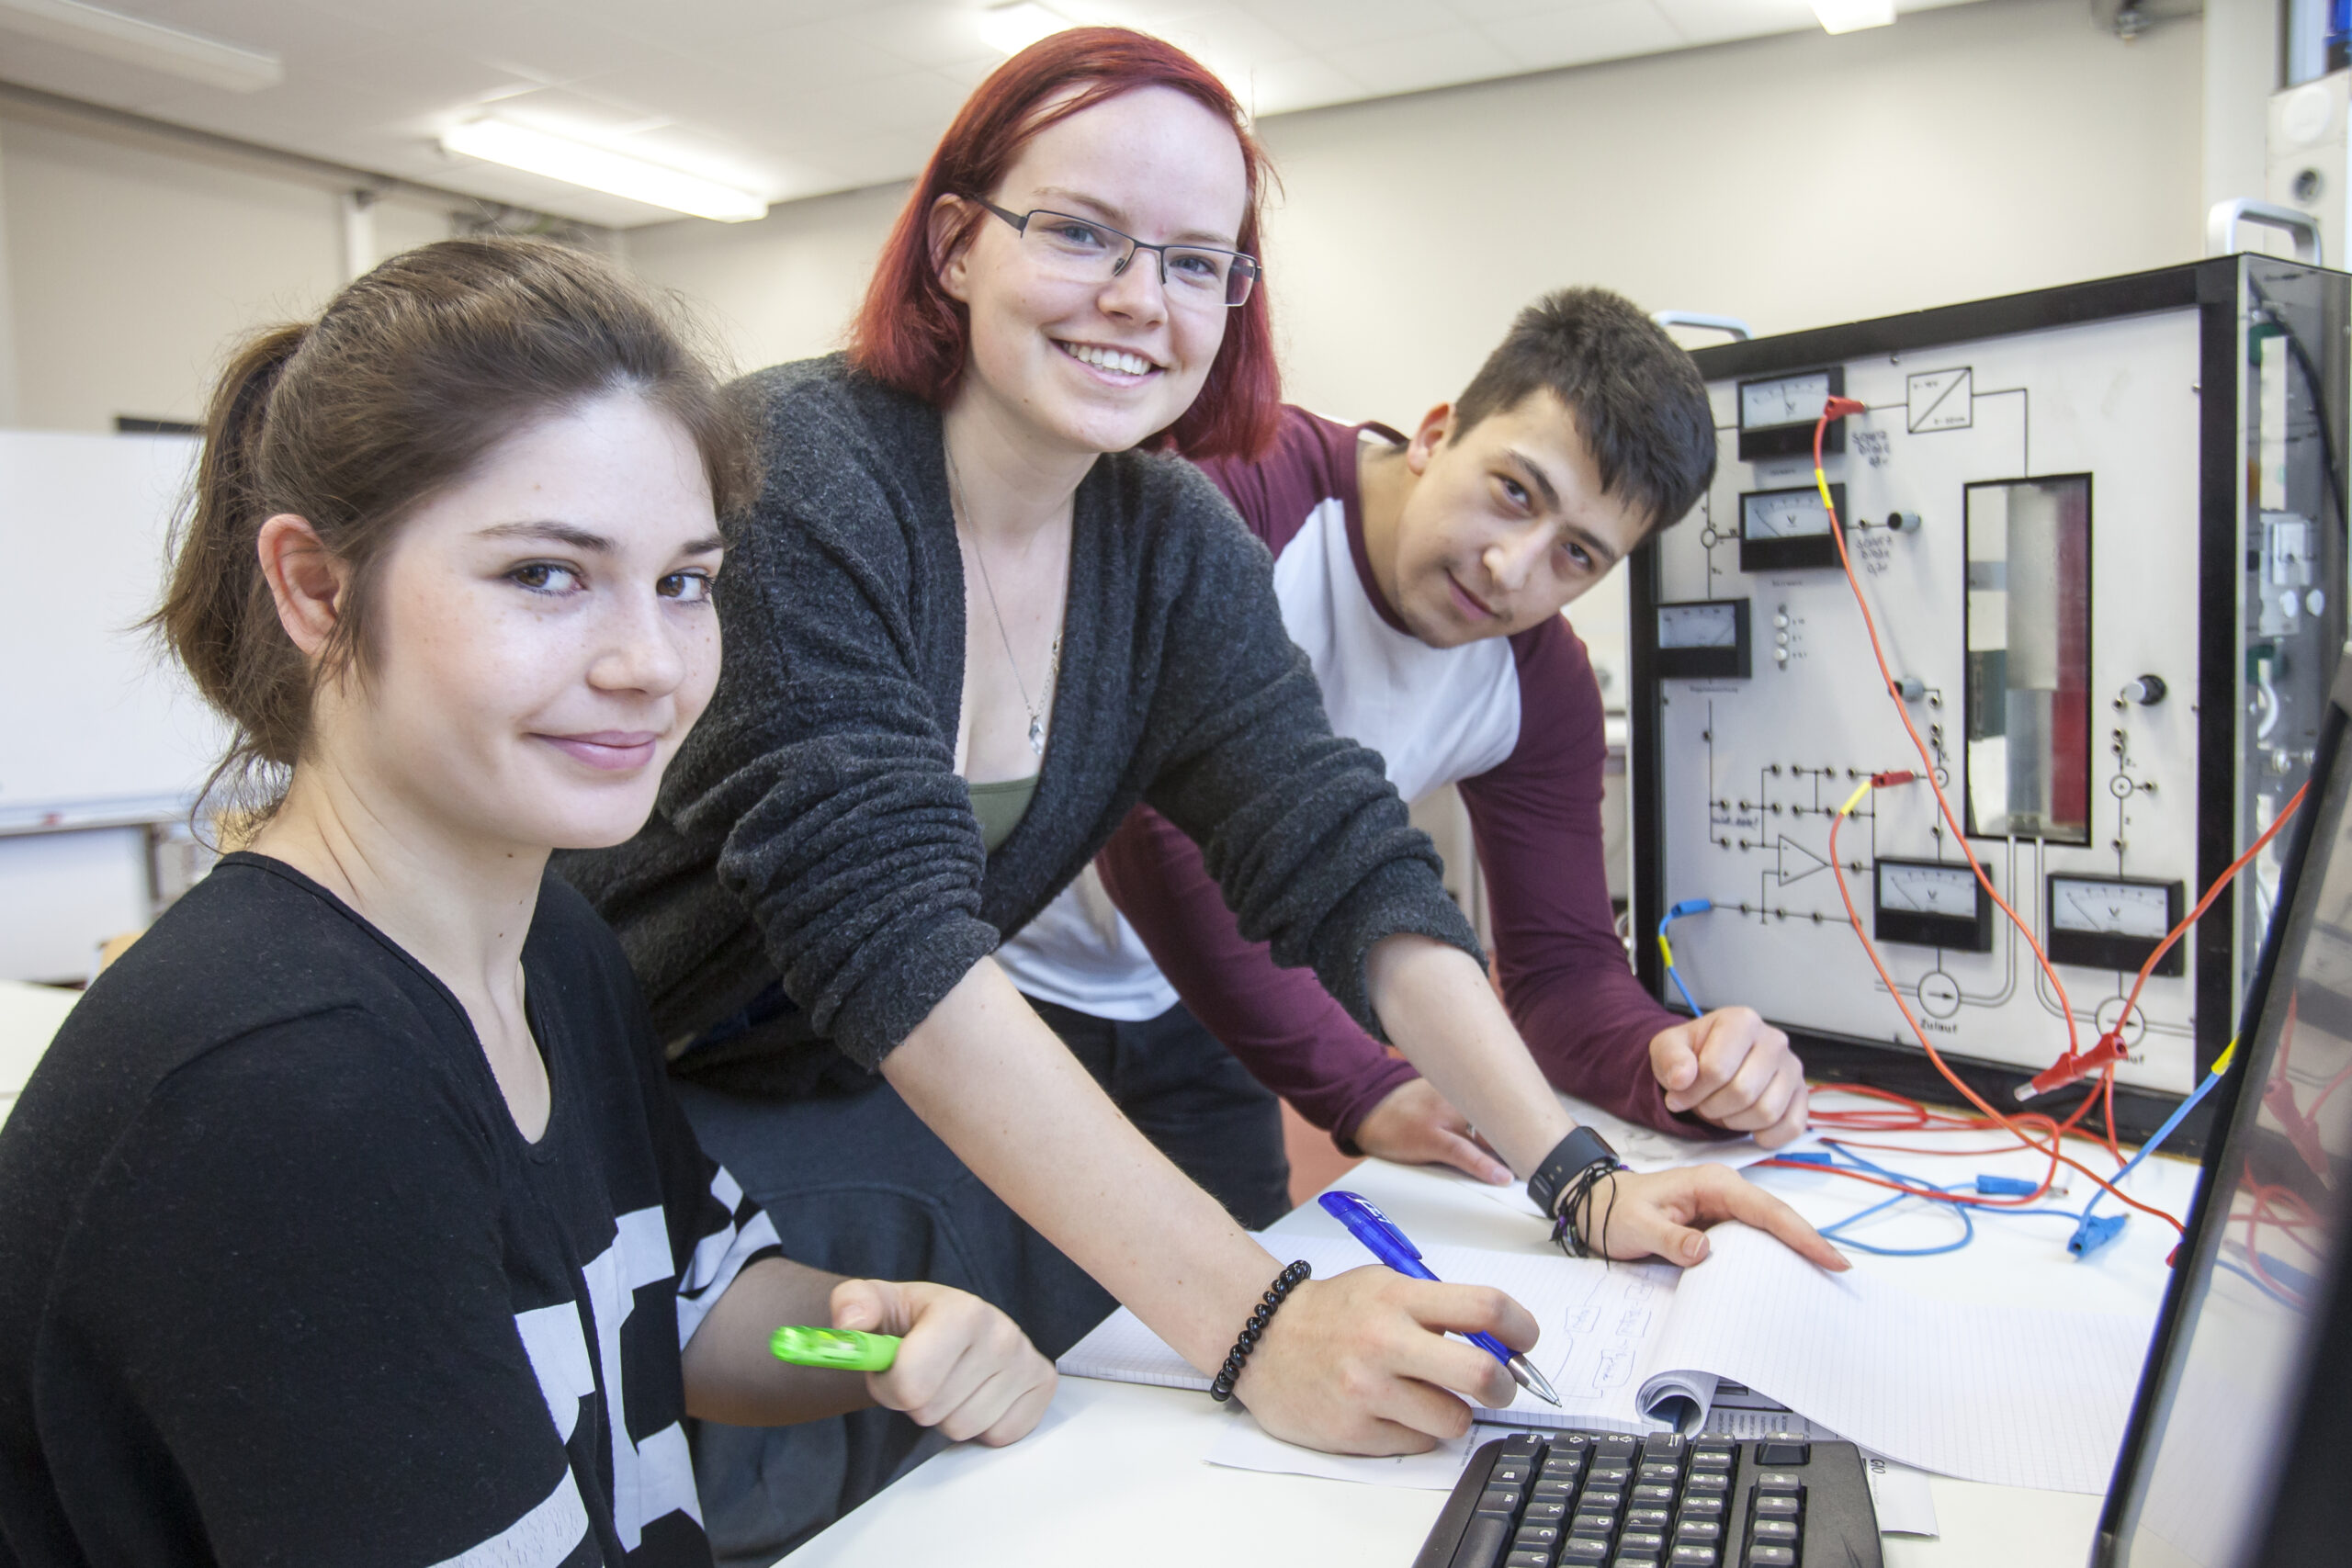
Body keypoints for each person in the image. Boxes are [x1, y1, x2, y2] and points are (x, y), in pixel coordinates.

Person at [560, 28, 1843, 1564]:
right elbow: (892, 937)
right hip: (587, 1073)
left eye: (1194, 262)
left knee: (986, 1394)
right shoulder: (806, 473)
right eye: (1082, 233)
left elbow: (1341, 855)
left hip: (833, 1067)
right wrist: (1259, 1325)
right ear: (958, 244)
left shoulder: (1167, 543)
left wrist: (1582, 1183)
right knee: (751, 1442)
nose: (1135, 300)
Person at [0, 238, 1056, 1568]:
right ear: (318, 589)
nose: (650, 665)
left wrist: (869, 1340)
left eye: (684, 581)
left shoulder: (552, 942)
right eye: (545, 574)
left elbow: (681, 1301)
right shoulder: (280, 1086)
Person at [1047, 288, 1810, 1191]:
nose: (1510, 568)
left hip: (1200, 1013)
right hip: (1011, 976)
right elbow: (1153, 821)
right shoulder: (1237, 483)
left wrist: (1678, 1066)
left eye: (1577, 555)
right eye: (1514, 494)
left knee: (1231, 1308)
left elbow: (1561, 970)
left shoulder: (1537, 685)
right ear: (1435, 434)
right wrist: (1364, 1084)